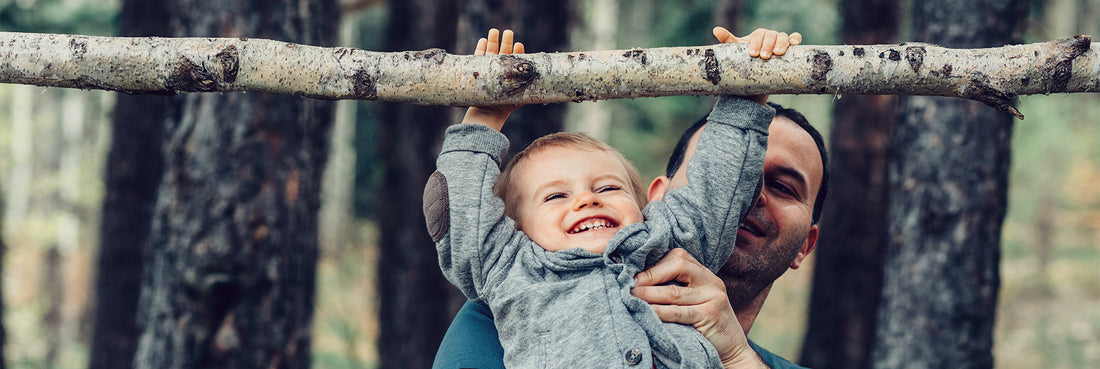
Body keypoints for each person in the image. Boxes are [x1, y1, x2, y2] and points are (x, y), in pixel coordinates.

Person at [432, 27, 823, 369]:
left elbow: (715, 190)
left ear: (647, 209)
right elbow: (464, 220)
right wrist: (484, 117)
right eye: (555, 196)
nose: (586, 200)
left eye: (608, 188)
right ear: (517, 230)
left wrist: (746, 91)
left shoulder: (663, 246)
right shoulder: (512, 273)